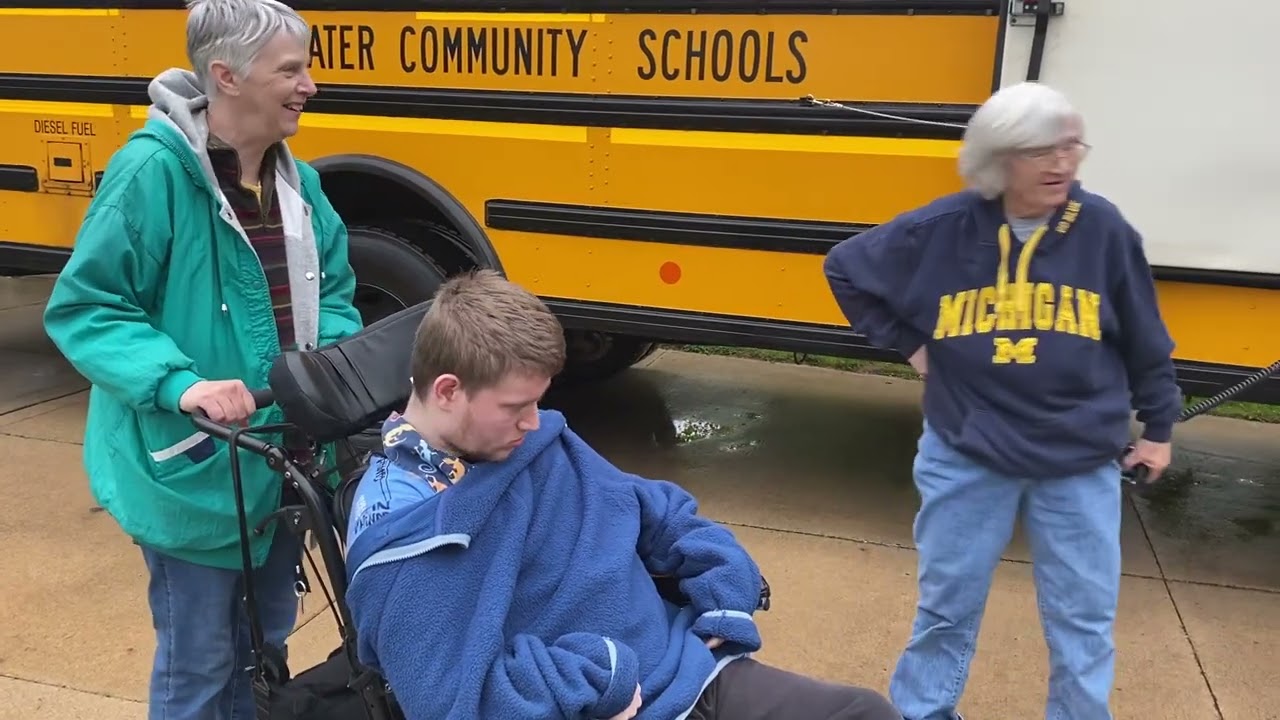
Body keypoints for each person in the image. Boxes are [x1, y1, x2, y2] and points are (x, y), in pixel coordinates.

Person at [343, 269, 901, 720]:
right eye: (517, 408)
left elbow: (649, 509)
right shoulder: (404, 529)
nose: (536, 423)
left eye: (539, 403)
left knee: (865, 713)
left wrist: (724, 586)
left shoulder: (531, 444)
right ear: (447, 391)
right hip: (612, 702)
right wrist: (598, 676)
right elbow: (453, 702)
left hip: (689, 665)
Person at [41, 0, 364, 717]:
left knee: (265, 649)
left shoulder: (298, 184)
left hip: (281, 462)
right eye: (291, 70)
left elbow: (336, 290)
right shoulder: (150, 176)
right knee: (199, 667)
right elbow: (88, 308)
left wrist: (325, 369)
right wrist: (182, 385)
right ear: (227, 75)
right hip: (195, 465)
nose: (309, 84)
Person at [822, 81, 1182, 720]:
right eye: (1042, 150)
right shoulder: (943, 228)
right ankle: (924, 714)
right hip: (966, 453)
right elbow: (845, 267)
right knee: (945, 612)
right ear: (998, 157)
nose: (1062, 164)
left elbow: (1146, 337)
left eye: (1071, 146)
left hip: (1077, 462)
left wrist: (1157, 426)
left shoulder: (1101, 230)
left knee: (1083, 624)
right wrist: (915, 348)